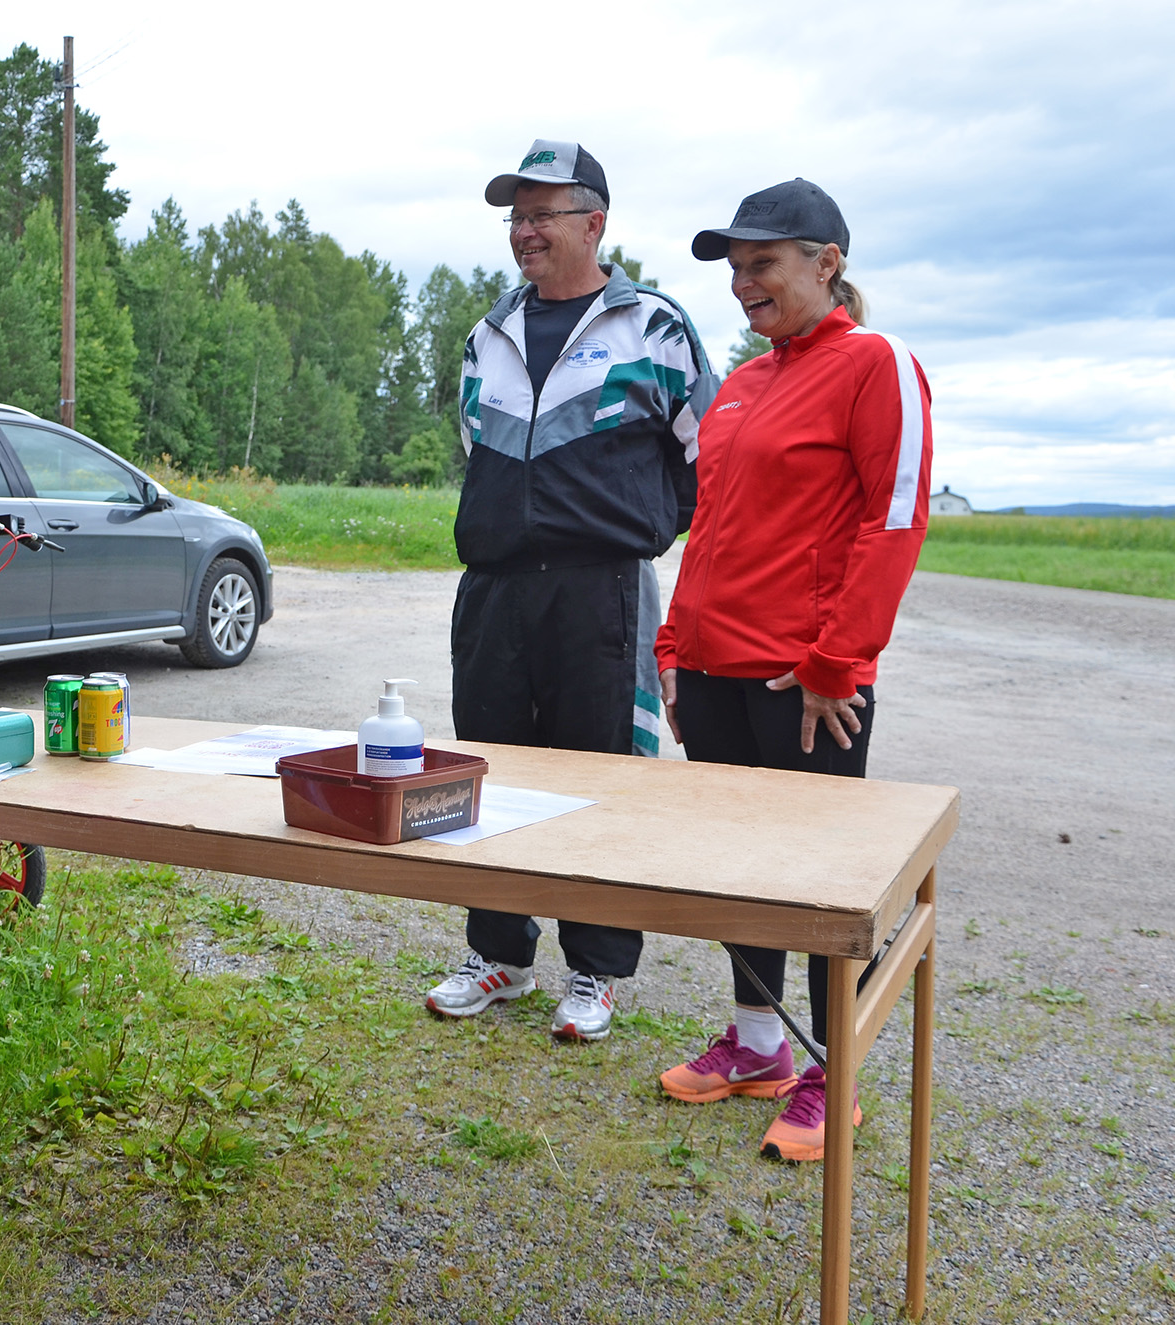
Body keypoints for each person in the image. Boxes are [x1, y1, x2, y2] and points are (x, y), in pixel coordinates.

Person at [654, 179, 933, 1161]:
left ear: (827, 263)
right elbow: (710, 531)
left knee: (816, 883)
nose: (742, 285)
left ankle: (834, 1071)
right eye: (733, 269)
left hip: (804, 683)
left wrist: (834, 659)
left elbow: (892, 518)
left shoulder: (873, 364)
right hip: (717, 670)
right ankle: (760, 1044)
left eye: (760, 265)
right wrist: (673, 649)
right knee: (739, 872)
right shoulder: (737, 386)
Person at [426, 140, 716, 1041]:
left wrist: (650, 536)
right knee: (491, 772)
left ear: (595, 222)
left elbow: (709, 457)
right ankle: (500, 953)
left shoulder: (653, 328)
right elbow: (482, 456)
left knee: (602, 779)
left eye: (543, 214)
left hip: (603, 592)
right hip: (496, 591)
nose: (524, 231)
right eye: (516, 216)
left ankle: (595, 970)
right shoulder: (488, 333)